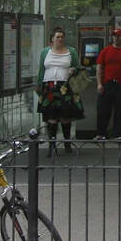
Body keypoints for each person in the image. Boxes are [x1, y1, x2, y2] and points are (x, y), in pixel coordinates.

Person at [35, 27, 82, 155]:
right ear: (52, 39)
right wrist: (39, 86)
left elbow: (78, 67)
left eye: (62, 37)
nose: (60, 39)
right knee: (51, 117)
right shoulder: (45, 52)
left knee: (65, 116)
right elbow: (41, 70)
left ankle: (67, 143)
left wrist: (73, 70)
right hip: (49, 86)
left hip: (65, 87)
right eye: (58, 37)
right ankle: (52, 145)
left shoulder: (70, 51)